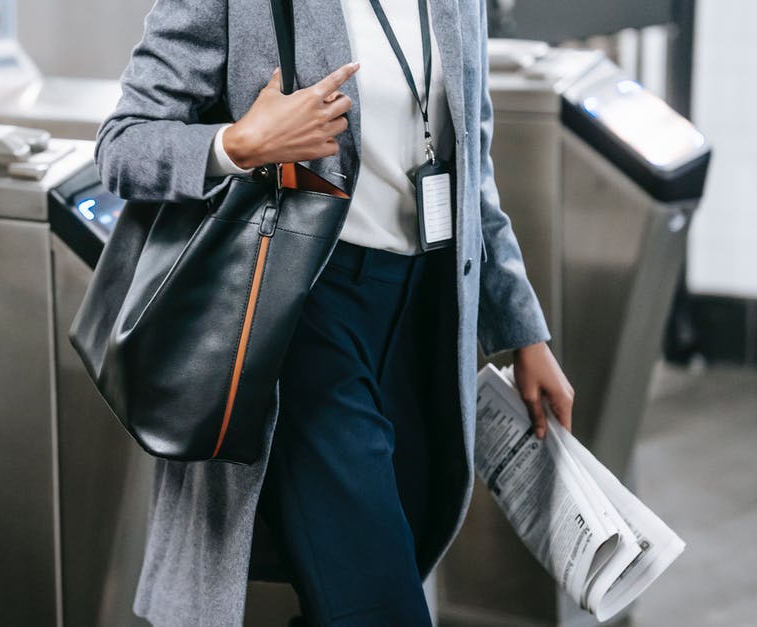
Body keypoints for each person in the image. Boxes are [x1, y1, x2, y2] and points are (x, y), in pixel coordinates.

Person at [95, 0, 575, 624]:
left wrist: (523, 332)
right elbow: (123, 145)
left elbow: (470, 173)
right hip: (303, 316)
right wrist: (241, 143)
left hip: (422, 320)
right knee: (382, 608)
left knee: (355, 587)